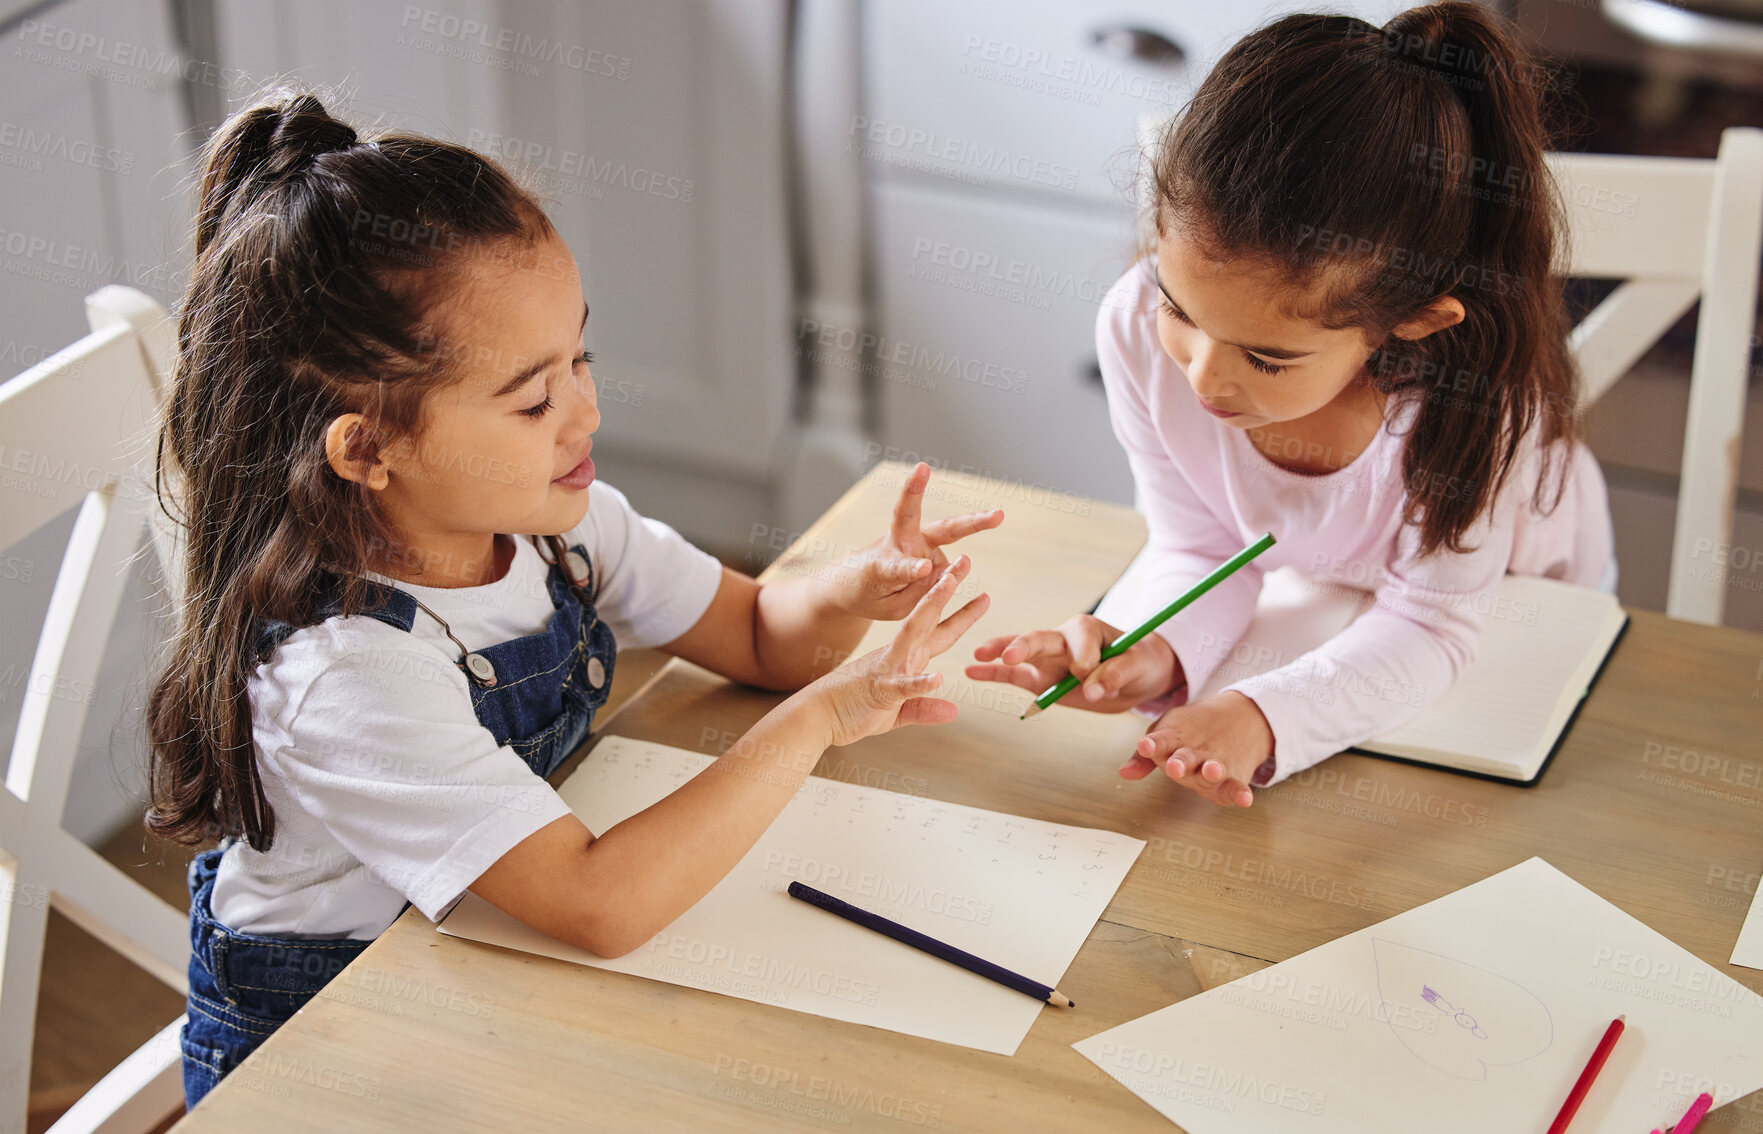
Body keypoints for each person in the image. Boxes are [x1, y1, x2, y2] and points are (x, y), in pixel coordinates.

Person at [148, 90, 999, 1107]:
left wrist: (856, 590)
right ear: (368, 448)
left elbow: (761, 637)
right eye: (532, 397)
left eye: (580, 360)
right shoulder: (346, 674)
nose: (586, 412)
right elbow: (599, 902)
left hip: (485, 970)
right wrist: (820, 720)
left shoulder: (558, 531)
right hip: (336, 1055)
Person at [967, 3, 1613, 807]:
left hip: (1518, 605)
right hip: (1320, 601)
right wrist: (1155, 648)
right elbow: (1201, 544)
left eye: (1268, 358)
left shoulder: (1479, 412)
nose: (1203, 381)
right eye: (1180, 310)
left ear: (1407, 325)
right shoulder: (1134, 327)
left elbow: (1433, 624)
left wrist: (1263, 717)